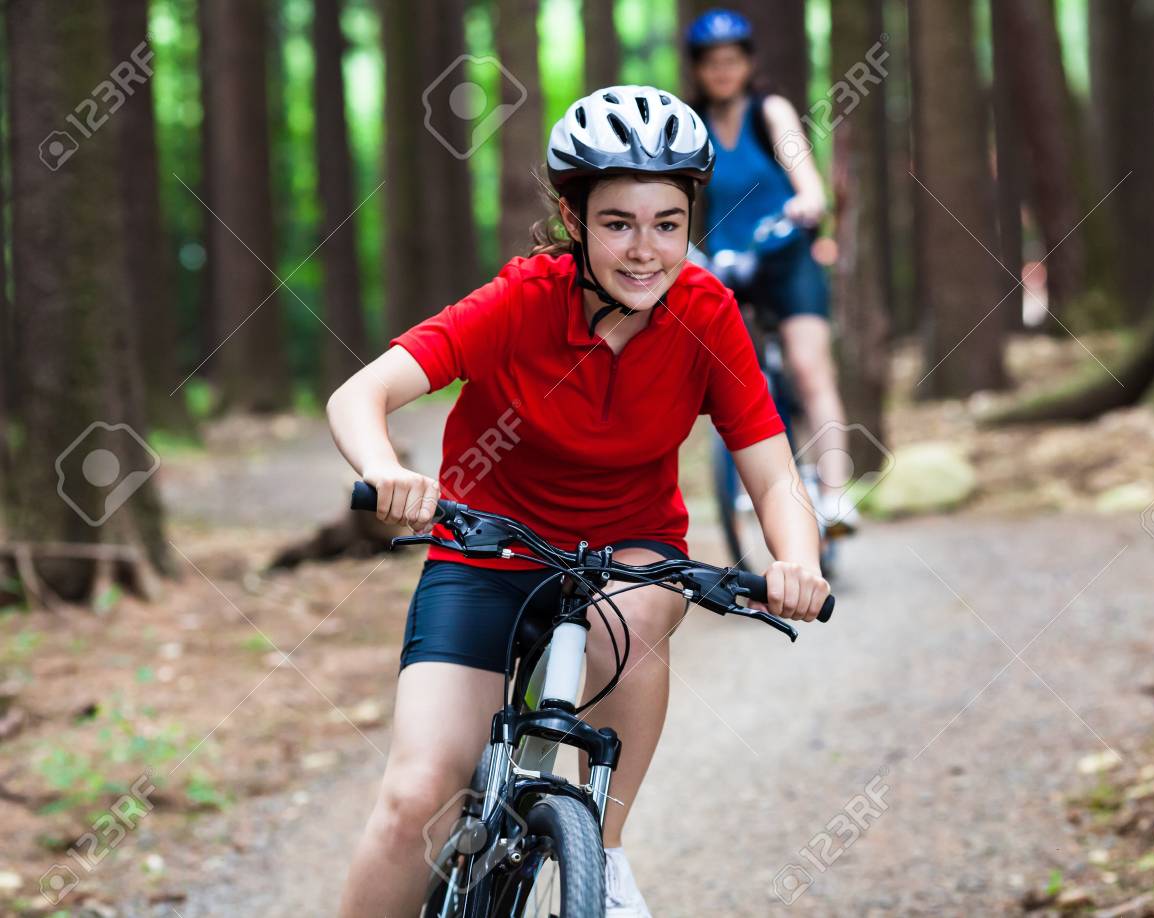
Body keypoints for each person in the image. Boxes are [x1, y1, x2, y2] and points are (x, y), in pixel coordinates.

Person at [327, 85, 830, 918]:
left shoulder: (708, 314)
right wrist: (388, 472)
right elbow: (360, 395)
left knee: (629, 618)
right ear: (574, 217)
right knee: (417, 796)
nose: (645, 251)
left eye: (668, 224)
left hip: (627, 551)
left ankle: (605, 847)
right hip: (485, 549)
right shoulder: (522, 300)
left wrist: (797, 559)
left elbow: (773, 473)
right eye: (618, 223)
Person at [686, 9, 859, 532]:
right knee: (733, 380)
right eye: (711, 62)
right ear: (698, 68)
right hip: (728, 268)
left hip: (785, 257)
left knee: (809, 368)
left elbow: (807, 179)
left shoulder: (771, 112)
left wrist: (807, 201)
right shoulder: (692, 125)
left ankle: (834, 494)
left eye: (731, 61)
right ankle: (750, 484)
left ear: (748, 63)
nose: (722, 71)